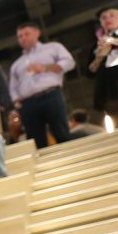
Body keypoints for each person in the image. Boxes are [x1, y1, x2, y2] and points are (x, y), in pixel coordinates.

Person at [10, 20, 77, 148]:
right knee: (35, 142)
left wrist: (46, 68)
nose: (23, 38)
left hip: (51, 95)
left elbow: (69, 62)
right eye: (20, 36)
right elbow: (13, 87)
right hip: (27, 103)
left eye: (26, 34)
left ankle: (73, 164)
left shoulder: (53, 47)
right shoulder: (16, 64)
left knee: (61, 133)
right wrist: (17, 103)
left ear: (37, 33)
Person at [89, 7, 118, 119]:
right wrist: (99, 57)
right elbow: (90, 72)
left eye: (112, 15)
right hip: (108, 87)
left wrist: (114, 41)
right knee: (117, 122)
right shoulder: (98, 43)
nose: (107, 19)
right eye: (103, 17)